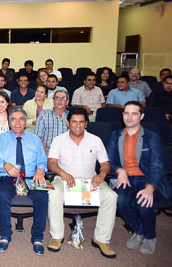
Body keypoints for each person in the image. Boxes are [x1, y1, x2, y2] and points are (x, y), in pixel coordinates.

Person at [47, 107, 117, 258]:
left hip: (90, 180)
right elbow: (51, 163)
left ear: (86, 124)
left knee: (111, 196)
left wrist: (102, 174)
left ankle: (101, 239)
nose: (77, 125)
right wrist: (63, 173)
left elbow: (105, 164)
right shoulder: (58, 140)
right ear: (68, 123)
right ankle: (57, 236)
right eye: (74, 122)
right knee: (53, 193)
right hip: (65, 179)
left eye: (81, 122)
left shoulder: (95, 140)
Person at [107, 101, 171, 255]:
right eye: (126, 113)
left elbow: (157, 166)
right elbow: (108, 161)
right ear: (122, 115)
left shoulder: (151, 137)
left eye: (134, 113)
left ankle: (150, 236)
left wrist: (149, 188)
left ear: (141, 116)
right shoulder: (116, 135)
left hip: (146, 179)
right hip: (125, 179)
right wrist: (119, 170)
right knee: (119, 201)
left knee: (143, 204)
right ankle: (139, 230)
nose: (129, 117)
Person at [0, 108, 48, 255]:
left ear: (25, 122)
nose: (17, 123)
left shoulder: (35, 139)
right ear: (9, 122)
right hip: (9, 177)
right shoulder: (2, 139)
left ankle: (37, 237)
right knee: (2, 195)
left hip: (31, 177)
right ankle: (5, 235)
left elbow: (43, 160)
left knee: (42, 197)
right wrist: (5, 164)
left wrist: (40, 169)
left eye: (21, 119)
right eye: (14, 119)